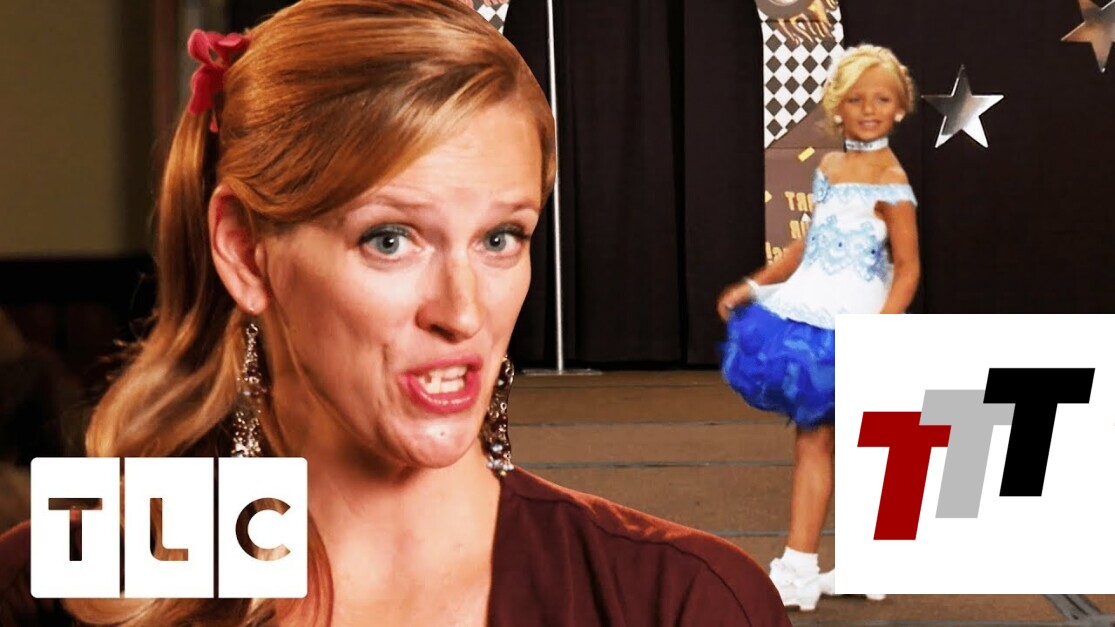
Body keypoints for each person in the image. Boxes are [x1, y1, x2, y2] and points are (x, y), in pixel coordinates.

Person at [0, 1, 789, 625]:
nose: (463, 313)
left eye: (500, 238)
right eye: (390, 239)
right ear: (244, 251)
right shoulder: (45, 584)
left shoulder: (684, 601)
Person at [717, 44, 920, 612]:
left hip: (856, 324)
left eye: (881, 99)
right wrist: (755, 284)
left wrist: (878, 334)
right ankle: (810, 566)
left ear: (900, 107)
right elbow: (807, 244)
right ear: (838, 107)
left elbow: (908, 268)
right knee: (816, 438)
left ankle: (829, 566)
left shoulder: (893, 184)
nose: (869, 109)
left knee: (851, 443)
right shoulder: (829, 168)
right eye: (856, 100)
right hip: (809, 317)